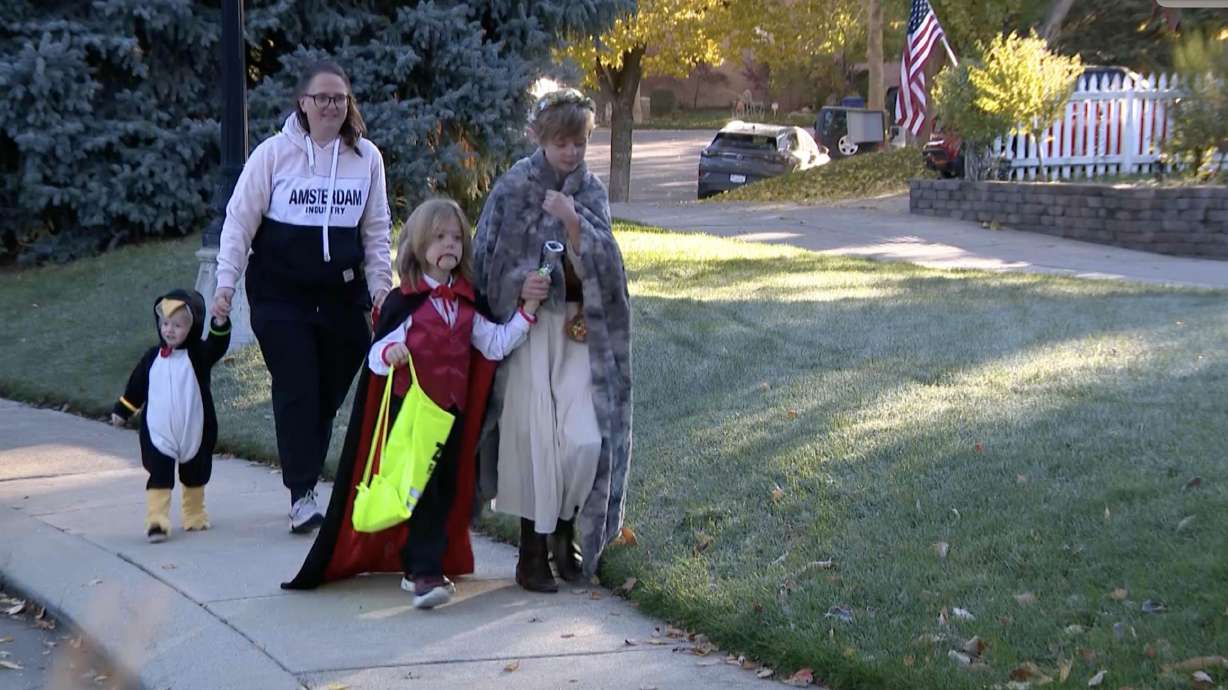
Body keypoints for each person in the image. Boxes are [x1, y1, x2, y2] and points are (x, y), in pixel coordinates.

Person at [283, 198, 541, 609]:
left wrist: (527, 312)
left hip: (451, 415)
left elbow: (493, 345)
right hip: (413, 414)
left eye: (456, 238)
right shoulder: (406, 302)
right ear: (419, 245)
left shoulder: (465, 302)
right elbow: (375, 357)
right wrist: (392, 354)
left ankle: (422, 566)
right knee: (417, 489)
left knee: (442, 490)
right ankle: (421, 572)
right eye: (439, 238)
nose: (449, 246)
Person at [212, 61, 393, 534]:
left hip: (343, 297)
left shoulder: (366, 157)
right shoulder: (273, 154)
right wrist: (225, 284)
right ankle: (302, 493)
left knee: (327, 395)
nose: (332, 106)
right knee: (297, 387)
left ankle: (306, 478)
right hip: (281, 295)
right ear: (303, 103)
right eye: (323, 98)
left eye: (340, 98)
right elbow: (239, 221)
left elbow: (375, 231)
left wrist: (381, 291)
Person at [473, 88, 633, 593]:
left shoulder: (590, 193)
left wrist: (573, 222)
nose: (571, 153)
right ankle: (533, 552)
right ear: (541, 138)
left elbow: (611, 269)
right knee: (535, 443)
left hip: (578, 333)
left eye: (579, 143)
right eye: (562, 142)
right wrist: (521, 282)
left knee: (583, 440)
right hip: (528, 333)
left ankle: (565, 532)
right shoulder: (514, 187)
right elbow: (485, 262)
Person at [112, 289, 231, 542]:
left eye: (177, 325)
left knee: (195, 472)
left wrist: (220, 323)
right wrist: (124, 408)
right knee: (159, 472)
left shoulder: (198, 355)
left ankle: (195, 514)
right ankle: (157, 520)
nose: (169, 330)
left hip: (194, 428)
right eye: (165, 323)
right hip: (159, 430)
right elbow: (136, 386)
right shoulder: (151, 358)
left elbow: (217, 345)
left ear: (193, 326)